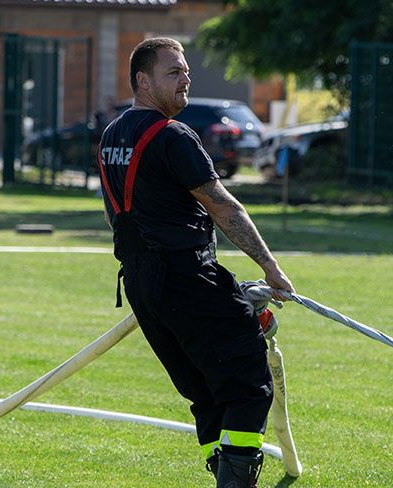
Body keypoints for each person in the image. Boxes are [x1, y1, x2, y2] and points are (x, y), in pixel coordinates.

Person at [97, 37, 294, 488]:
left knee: (205, 393)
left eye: (185, 71)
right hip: (186, 277)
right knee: (247, 383)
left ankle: (220, 471)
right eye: (174, 72)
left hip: (141, 284)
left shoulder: (112, 136)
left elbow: (115, 210)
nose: (186, 78)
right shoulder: (172, 135)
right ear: (142, 81)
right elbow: (224, 208)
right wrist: (269, 267)